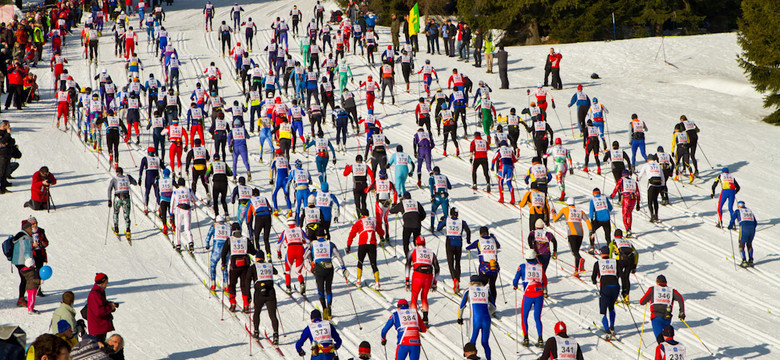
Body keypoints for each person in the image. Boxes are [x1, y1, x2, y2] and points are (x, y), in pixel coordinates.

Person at [305, 232, 346, 320]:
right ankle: (329, 308)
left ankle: (324, 309)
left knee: (320, 289)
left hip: (319, 267)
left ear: (316, 236)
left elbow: (305, 255)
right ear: (324, 236)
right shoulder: (330, 243)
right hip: (329, 267)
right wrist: (343, 267)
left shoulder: (313, 244)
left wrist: (311, 262)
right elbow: (338, 255)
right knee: (328, 289)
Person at [220, 222, 257, 312]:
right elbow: (253, 252)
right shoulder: (245, 239)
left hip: (234, 266)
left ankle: (233, 304)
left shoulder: (230, 240)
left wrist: (223, 263)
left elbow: (223, 253)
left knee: (232, 284)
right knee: (244, 285)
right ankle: (246, 305)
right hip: (245, 266)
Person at [513, 250, 547, 347]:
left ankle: (526, 338)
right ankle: (540, 340)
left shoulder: (523, 267)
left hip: (528, 294)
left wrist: (515, 286)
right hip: (539, 294)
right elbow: (544, 282)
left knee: (524, 316)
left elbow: (515, 280)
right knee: (537, 318)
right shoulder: (540, 267)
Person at [639, 275, 686, 344]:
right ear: (666, 282)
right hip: (667, 317)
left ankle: (663, 354)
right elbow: (680, 298)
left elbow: (641, 302)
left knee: (660, 339)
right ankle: (670, 353)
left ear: (657, 282)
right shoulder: (671, 291)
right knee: (667, 338)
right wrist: (681, 312)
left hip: (656, 317)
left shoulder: (652, 289)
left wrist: (648, 300)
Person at [246, 250, 280, 344]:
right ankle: (276, 335)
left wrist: (248, 295)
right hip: (270, 293)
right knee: (273, 315)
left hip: (259, 294)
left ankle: (256, 332)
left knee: (257, 312)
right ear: (263, 258)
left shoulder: (253, 267)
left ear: (256, 258)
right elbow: (276, 272)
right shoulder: (269, 265)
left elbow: (247, 280)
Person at [552, 197, 592, 276]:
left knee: (574, 252)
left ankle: (581, 260)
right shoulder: (580, 211)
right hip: (580, 233)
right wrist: (590, 231)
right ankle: (576, 270)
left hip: (572, 233)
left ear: (567, 203)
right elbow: (587, 221)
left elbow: (555, 219)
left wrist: (553, 213)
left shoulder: (565, 209)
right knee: (576, 251)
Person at [405, 235, 439, 325]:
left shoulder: (413, 251)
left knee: (414, 298)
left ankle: (414, 319)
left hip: (417, 275)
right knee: (424, 297)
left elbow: (407, 265)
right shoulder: (431, 252)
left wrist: (407, 281)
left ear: (416, 243)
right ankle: (425, 318)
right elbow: (437, 268)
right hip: (428, 276)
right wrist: (435, 283)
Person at [436, 208, 471, 293]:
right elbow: (468, 231)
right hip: (458, 242)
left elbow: (438, 228)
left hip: (450, 242)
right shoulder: (461, 221)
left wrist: (441, 221)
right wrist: (468, 241)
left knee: (450, 262)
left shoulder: (447, 220)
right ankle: (457, 281)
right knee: (457, 262)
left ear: (450, 214)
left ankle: (455, 280)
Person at [591, 246, 620, 339]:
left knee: (602, 311)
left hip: (605, 288)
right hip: (615, 287)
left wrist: (595, 281)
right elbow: (620, 274)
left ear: (601, 253)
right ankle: (612, 326)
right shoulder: (615, 262)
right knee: (611, 307)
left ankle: (607, 330)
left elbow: (593, 277)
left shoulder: (598, 263)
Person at [389, 192, 426, 257]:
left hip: (407, 225)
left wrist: (393, 206)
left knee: (406, 243)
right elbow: (424, 214)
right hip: (417, 224)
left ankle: (409, 258)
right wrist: (419, 219)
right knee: (417, 242)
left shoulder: (403, 203)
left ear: (404, 198)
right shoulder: (416, 202)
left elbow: (392, 211)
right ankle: (419, 257)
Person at [277, 218, 309, 293]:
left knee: (287, 270)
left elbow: (279, 244)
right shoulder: (300, 229)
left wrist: (279, 253)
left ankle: (288, 287)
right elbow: (308, 241)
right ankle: (301, 283)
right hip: (300, 249)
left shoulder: (285, 231)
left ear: (288, 224)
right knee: (298, 271)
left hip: (291, 249)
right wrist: (302, 242)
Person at [107, 167, 138, 239]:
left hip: (117, 198)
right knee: (126, 215)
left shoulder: (114, 179)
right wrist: (130, 178)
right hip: (126, 198)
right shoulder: (127, 177)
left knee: (116, 213)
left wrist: (109, 200)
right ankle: (128, 231)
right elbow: (135, 183)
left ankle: (116, 229)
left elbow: (109, 189)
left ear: (117, 172)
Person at [87, 273, 117, 343]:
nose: (107, 283)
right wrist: (110, 307)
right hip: (98, 328)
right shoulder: (95, 294)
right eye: (106, 282)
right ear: (102, 282)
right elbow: (99, 311)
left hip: (99, 327)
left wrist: (108, 304)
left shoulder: (98, 292)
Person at [610, 229, 638, 303]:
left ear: (615, 235)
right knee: (626, 277)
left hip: (620, 260)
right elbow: (636, 253)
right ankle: (626, 295)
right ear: (622, 235)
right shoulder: (628, 241)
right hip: (630, 261)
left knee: (616, 277)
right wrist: (634, 266)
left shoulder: (614, 241)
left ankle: (614, 296)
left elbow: (610, 254)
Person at [611, 170, 640, 237]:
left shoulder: (621, 180)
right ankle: (629, 228)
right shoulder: (634, 181)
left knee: (624, 214)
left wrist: (612, 195)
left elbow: (616, 188)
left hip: (626, 198)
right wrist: (638, 203)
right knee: (629, 214)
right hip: (633, 199)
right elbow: (638, 193)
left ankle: (627, 230)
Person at [636, 154, 664, 223]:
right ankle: (656, 215)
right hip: (658, 184)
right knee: (655, 200)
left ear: (648, 159)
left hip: (651, 184)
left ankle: (652, 215)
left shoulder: (646, 165)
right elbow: (662, 175)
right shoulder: (658, 165)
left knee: (650, 201)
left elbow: (641, 174)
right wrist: (662, 185)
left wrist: (638, 179)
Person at [205, 215, 230, 291]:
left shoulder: (214, 226)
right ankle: (226, 285)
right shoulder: (228, 227)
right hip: (226, 249)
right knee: (224, 266)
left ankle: (213, 284)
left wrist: (207, 245)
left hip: (217, 248)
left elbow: (208, 236)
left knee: (213, 265)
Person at [732, 201, 757, 267]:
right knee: (749, 244)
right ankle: (751, 259)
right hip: (752, 229)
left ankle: (744, 260)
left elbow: (732, 219)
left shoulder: (738, 211)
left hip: (743, 228)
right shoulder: (750, 211)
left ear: (739, 206)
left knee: (741, 244)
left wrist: (730, 226)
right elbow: (755, 222)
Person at [588, 188, 613, 252]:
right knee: (607, 234)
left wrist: (591, 219)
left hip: (598, 220)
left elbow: (591, 211)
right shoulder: (605, 198)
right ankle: (609, 246)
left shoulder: (592, 200)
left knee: (592, 232)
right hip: (606, 219)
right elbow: (610, 208)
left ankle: (592, 247)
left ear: (594, 193)